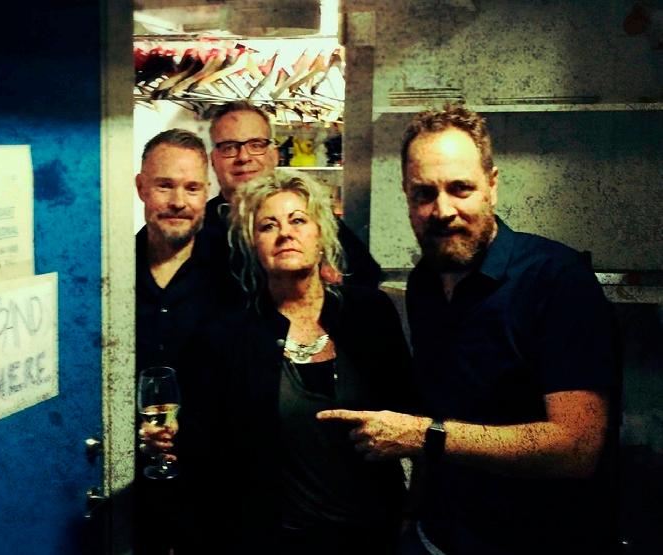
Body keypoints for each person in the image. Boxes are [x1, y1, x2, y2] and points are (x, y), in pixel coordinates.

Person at [318, 105, 620, 555]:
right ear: (406, 195)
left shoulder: (556, 280)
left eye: (460, 188)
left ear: (492, 186)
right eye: (424, 193)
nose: (442, 211)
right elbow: (439, 408)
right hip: (437, 538)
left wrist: (423, 435)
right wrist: (412, 514)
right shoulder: (424, 284)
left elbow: (577, 447)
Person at [179, 172, 412, 555]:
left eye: (298, 220)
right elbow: (206, 457)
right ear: (253, 244)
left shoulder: (370, 313)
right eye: (268, 225)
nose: (285, 233)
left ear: (321, 235)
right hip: (272, 542)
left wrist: (414, 509)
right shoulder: (226, 336)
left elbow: (412, 412)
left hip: (373, 536)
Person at [134, 128, 231, 555]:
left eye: (192, 188)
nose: (178, 201)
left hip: (216, 487)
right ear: (141, 187)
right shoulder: (110, 269)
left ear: (206, 192)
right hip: (133, 483)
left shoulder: (237, 269)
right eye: (164, 186)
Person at [204, 100, 384, 288]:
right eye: (229, 147)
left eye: (256, 145)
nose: (243, 157)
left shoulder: (311, 215)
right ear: (213, 160)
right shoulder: (197, 229)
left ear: (275, 156)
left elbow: (366, 275)